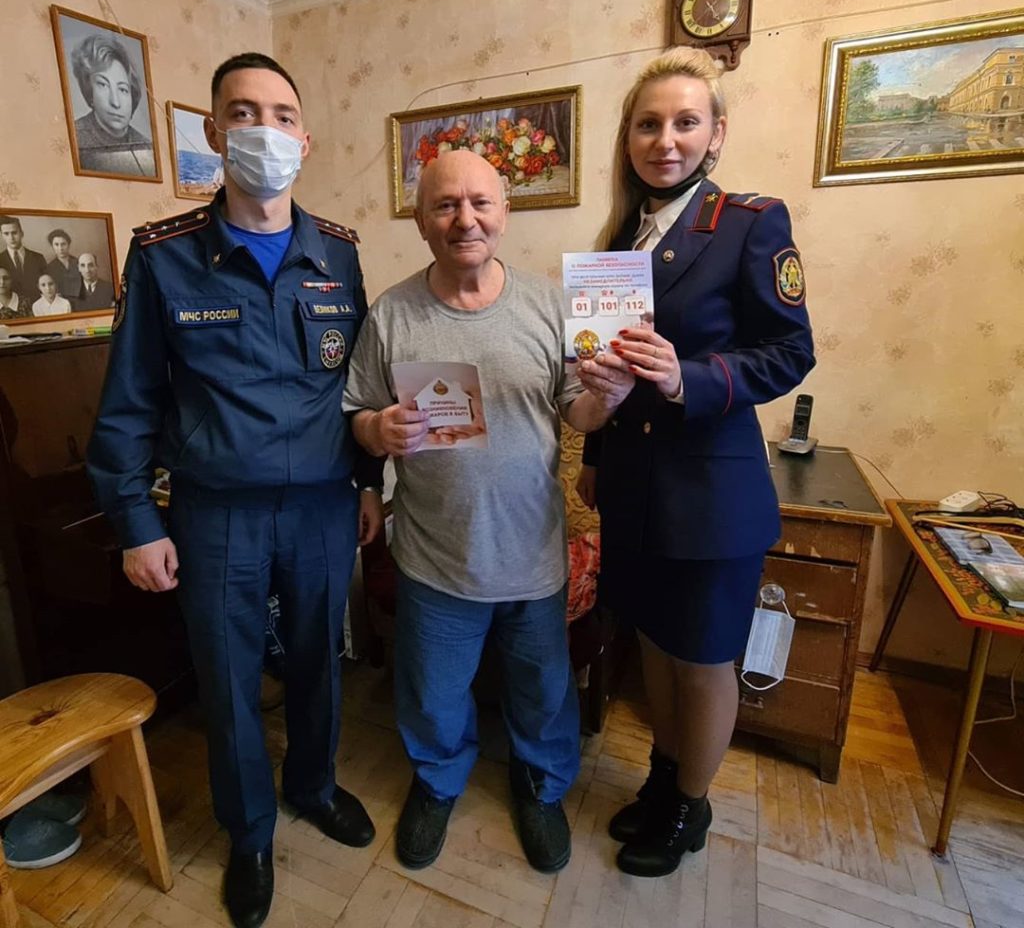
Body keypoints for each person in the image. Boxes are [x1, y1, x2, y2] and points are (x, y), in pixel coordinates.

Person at [87, 52, 383, 928]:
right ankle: (249, 831)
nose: (265, 130)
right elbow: (129, 402)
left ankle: (314, 786)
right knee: (226, 679)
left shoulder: (338, 252)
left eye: (282, 115)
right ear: (216, 132)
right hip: (217, 514)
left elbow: (362, 384)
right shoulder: (165, 256)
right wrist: (136, 523)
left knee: (319, 664)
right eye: (244, 113)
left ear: (305, 138)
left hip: (325, 505)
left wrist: (371, 484)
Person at [343, 149, 633, 874]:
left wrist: (609, 398)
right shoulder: (391, 314)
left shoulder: (549, 305)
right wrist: (378, 431)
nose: (464, 220)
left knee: (543, 691)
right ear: (420, 221)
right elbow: (356, 413)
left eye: (479, 203)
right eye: (445, 206)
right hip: (434, 556)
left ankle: (540, 787)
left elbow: (579, 411)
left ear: (505, 212)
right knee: (433, 694)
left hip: (532, 552)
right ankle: (438, 782)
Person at [576, 47, 815, 878]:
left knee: (706, 657)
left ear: (716, 134)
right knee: (655, 640)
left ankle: (691, 806)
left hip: (712, 492)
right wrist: (595, 453)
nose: (665, 140)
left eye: (685, 122)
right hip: (634, 488)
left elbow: (790, 352)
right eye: (648, 124)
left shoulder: (751, 223)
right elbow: (608, 367)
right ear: (628, 138)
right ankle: (663, 778)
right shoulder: (619, 238)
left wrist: (691, 378)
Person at [70, 33, 154, 177]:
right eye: (103, 85)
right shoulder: (75, 136)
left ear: (132, 95)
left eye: (123, 89)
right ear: (89, 91)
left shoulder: (146, 146)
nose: (115, 102)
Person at [0, 215, 47, 300]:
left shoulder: (38, 258)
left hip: (36, 305)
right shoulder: (0, 259)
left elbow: (46, 284)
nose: (11, 238)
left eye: (14, 233)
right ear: (2, 236)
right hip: (9, 306)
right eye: (6, 234)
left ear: (22, 233)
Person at [46, 229, 82, 299]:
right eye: (56, 245)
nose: (60, 248)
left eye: (63, 244)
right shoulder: (49, 268)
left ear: (68, 245)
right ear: (52, 246)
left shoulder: (79, 262)